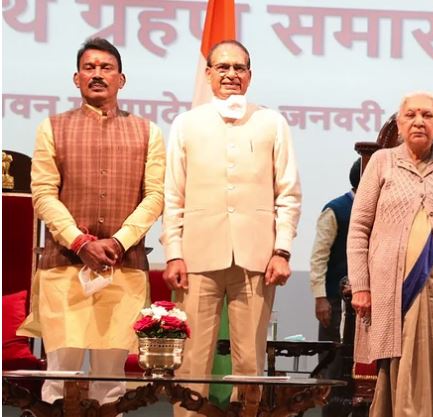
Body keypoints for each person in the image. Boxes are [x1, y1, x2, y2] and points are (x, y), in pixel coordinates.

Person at [18, 37, 165, 404]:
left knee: (110, 383)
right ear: (76, 78)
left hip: (123, 266)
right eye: (89, 68)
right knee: (58, 378)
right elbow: (44, 195)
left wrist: (118, 242)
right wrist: (81, 243)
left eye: (106, 68)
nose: (97, 75)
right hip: (64, 268)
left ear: (121, 79)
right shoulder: (52, 127)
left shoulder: (148, 132)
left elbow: (155, 196)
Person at [161, 39, 301, 416]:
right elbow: (172, 194)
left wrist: (282, 250)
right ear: (208, 74)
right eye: (222, 67)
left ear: (250, 76)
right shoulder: (186, 124)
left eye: (239, 68)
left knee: (250, 365)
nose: (231, 75)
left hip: (256, 260)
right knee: (191, 364)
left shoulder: (272, 122)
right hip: (197, 259)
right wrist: (173, 253)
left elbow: (288, 193)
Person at [348, 91, 433, 417]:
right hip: (391, 294)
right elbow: (359, 229)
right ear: (399, 124)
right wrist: (362, 286)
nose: (418, 121)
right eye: (410, 115)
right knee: (396, 365)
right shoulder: (382, 163)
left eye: (427, 115)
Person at [309, 158, 361, 416]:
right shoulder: (335, 210)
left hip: (365, 307)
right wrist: (320, 298)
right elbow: (319, 257)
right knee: (332, 369)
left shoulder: (378, 210)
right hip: (334, 302)